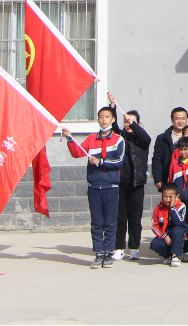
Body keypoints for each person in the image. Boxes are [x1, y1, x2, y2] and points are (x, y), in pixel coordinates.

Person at [62, 107, 126, 269]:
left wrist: (100, 161)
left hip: (111, 187)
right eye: (101, 117)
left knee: (110, 222)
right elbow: (77, 153)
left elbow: (119, 161)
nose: (104, 120)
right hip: (94, 187)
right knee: (97, 222)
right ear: (98, 119)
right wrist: (69, 138)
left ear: (113, 120)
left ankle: (108, 253)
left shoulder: (118, 139)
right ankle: (98, 253)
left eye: (107, 117)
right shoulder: (91, 139)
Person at [105, 94, 149, 263]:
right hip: (120, 183)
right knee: (120, 217)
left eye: (132, 122)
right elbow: (114, 126)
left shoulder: (142, 140)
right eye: (126, 122)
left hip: (137, 183)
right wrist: (112, 105)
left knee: (135, 218)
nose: (128, 124)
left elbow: (145, 137)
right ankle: (118, 248)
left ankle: (134, 248)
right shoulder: (119, 138)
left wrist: (133, 123)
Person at [151, 107, 188, 192]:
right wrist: (158, 178)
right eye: (177, 118)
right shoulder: (162, 138)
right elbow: (157, 159)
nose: (180, 121)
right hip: (168, 177)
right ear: (172, 120)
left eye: (183, 118)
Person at [149, 183, 187, 267]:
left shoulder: (181, 206)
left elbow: (179, 222)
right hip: (165, 233)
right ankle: (169, 256)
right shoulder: (158, 208)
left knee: (177, 230)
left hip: (179, 234)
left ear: (176, 196)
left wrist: (172, 208)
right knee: (155, 244)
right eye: (165, 196)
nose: (167, 199)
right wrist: (165, 236)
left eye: (170, 197)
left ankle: (176, 255)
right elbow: (154, 226)